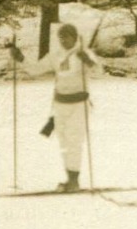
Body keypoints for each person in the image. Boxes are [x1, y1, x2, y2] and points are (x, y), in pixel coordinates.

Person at [27, 22, 95, 193]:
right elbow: (35, 69)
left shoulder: (83, 53)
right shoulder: (55, 55)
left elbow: (99, 69)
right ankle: (69, 178)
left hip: (79, 104)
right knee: (64, 142)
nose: (64, 41)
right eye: (61, 37)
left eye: (67, 37)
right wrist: (20, 58)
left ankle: (74, 180)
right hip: (60, 104)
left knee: (74, 141)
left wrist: (88, 61)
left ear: (75, 37)